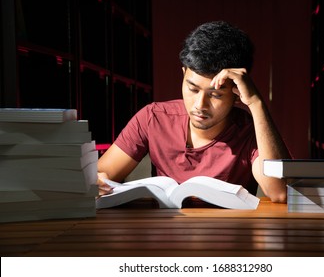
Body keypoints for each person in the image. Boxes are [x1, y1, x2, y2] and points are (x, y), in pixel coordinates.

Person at [97, 21, 291, 203]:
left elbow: (280, 192)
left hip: (230, 235)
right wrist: (95, 182)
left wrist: (256, 103)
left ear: (237, 92)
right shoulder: (153, 117)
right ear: (184, 75)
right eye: (193, 88)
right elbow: (100, 176)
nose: (200, 105)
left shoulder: (250, 131)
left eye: (215, 95)